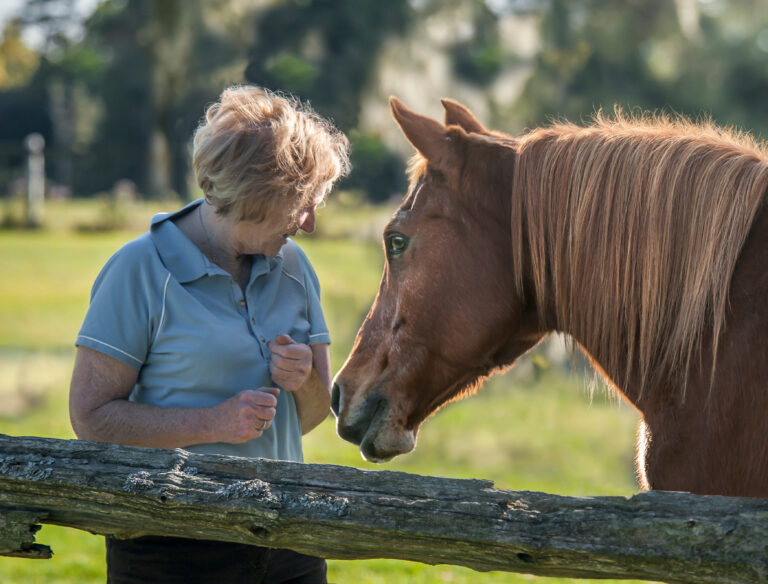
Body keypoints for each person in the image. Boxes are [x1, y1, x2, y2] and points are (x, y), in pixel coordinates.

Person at [69, 85, 350, 584]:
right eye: (301, 204)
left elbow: (311, 415)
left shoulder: (295, 268)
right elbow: (91, 418)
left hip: (288, 540)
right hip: (170, 549)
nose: (308, 223)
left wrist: (305, 378)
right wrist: (213, 422)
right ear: (254, 196)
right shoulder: (138, 269)